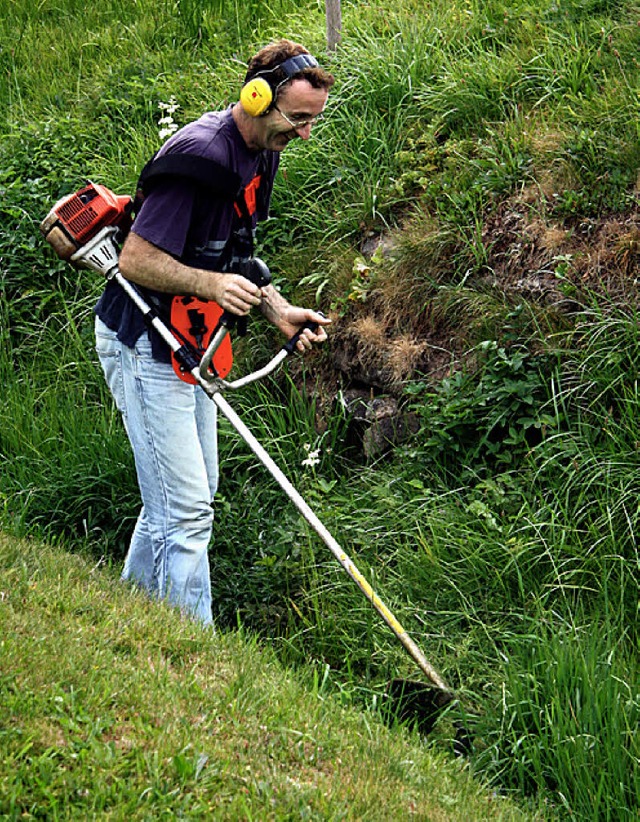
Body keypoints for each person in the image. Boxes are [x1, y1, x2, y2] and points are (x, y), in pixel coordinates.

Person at [94, 39, 334, 626]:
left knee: (179, 503)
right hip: (144, 344)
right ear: (258, 98)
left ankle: (128, 618)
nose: (304, 134)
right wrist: (208, 285)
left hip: (193, 347)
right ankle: (192, 650)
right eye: (297, 119)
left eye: (312, 122)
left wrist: (277, 309)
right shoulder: (198, 159)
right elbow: (136, 259)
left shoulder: (261, 155)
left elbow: (239, 251)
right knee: (187, 512)